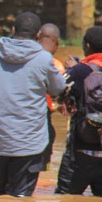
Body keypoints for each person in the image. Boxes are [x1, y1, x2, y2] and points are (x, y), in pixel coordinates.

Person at [0, 12, 66, 197]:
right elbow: (58, 89)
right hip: (30, 143)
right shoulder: (44, 59)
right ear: (38, 35)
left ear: (13, 30)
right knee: (21, 200)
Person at [55, 26, 102, 198]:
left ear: (88, 46)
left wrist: (70, 71)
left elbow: (57, 94)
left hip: (79, 154)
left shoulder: (79, 71)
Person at [37, 23, 66, 171]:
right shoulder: (56, 65)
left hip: (14, 128)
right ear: (57, 42)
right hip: (42, 128)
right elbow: (57, 94)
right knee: (41, 170)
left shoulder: (22, 58)